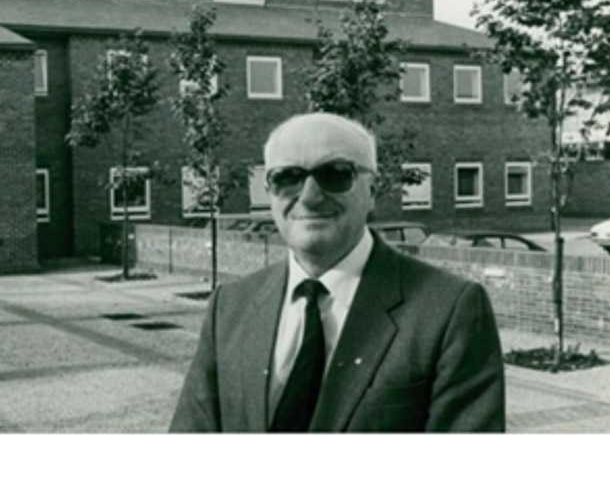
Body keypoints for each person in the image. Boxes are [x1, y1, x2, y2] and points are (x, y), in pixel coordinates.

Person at [170, 112, 505, 432]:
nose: (309, 196)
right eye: (287, 178)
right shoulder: (230, 307)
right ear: (270, 192)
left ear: (373, 190)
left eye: (335, 174)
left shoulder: (449, 310)